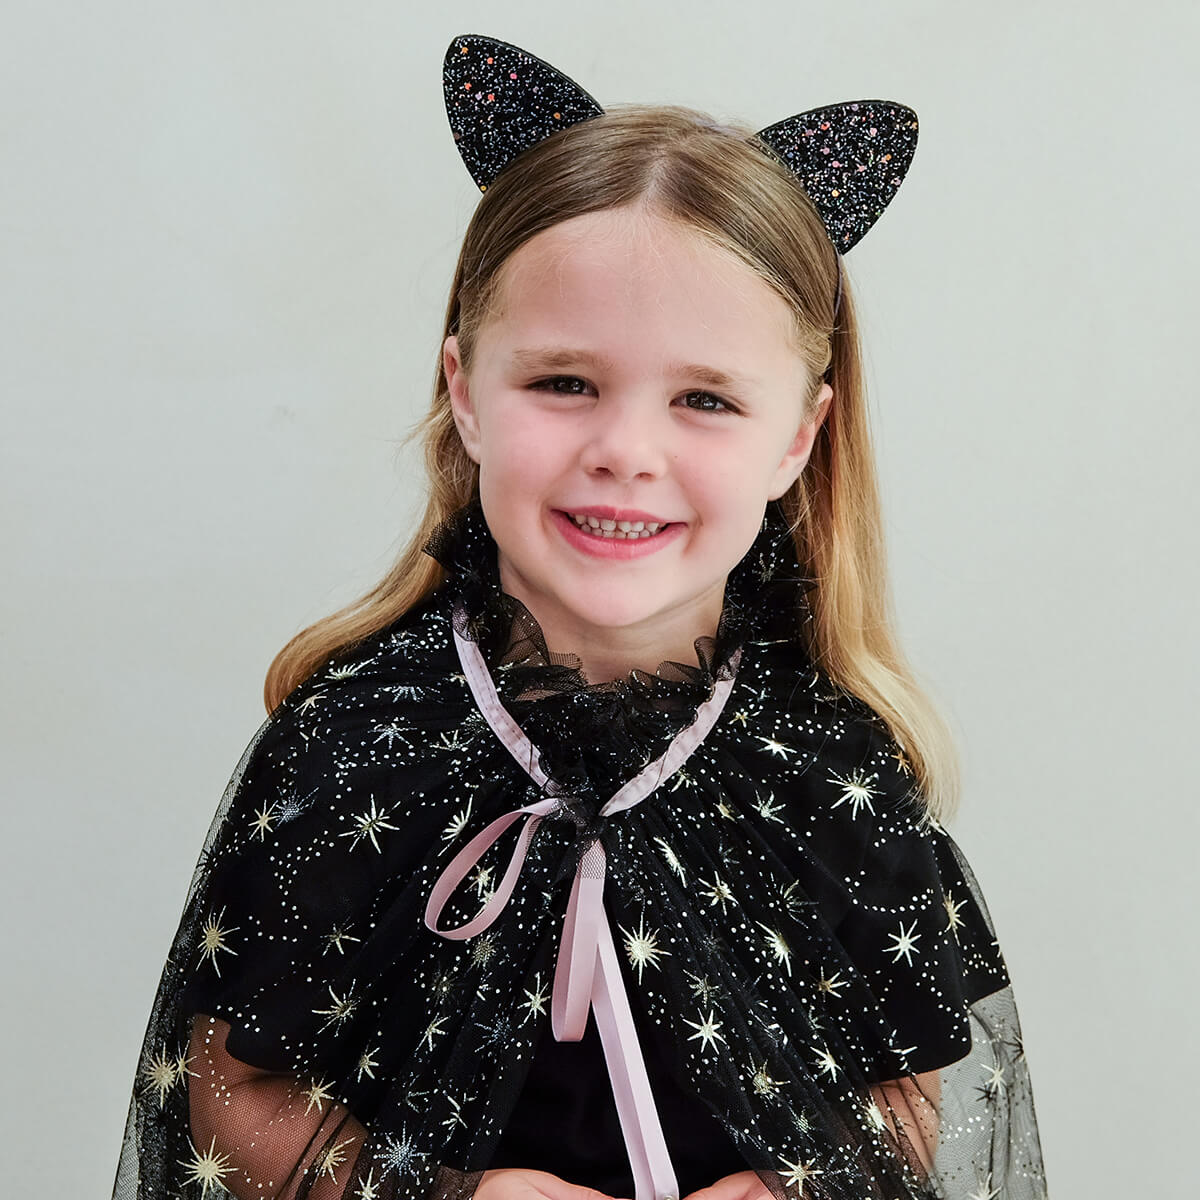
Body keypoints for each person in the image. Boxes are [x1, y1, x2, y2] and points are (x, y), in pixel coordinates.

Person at [111, 33, 1048, 1200]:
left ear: (797, 440)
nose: (626, 451)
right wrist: (456, 1196)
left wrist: (800, 1187)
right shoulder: (355, 749)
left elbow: (904, 1098)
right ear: (464, 390)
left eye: (705, 398)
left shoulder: (827, 768)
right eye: (564, 383)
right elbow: (227, 1092)